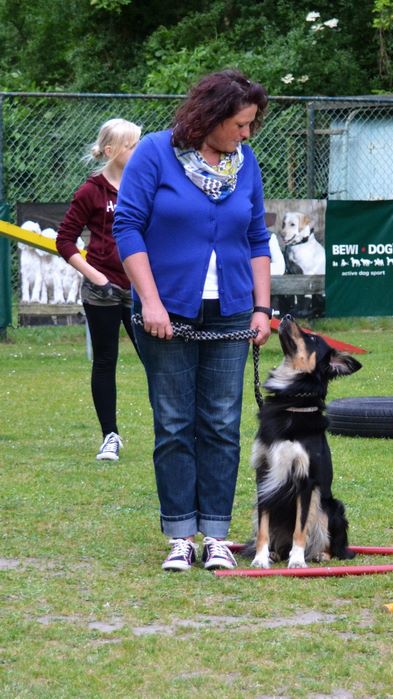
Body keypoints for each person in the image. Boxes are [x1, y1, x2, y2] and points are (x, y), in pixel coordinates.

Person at [113, 70, 273, 572]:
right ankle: (181, 534)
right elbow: (128, 227)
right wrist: (152, 302)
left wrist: (262, 309)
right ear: (211, 117)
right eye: (241, 124)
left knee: (223, 423)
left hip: (229, 311)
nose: (246, 134)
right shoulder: (155, 153)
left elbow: (256, 239)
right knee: (175, 423)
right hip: (166, 313)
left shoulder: (245, 165)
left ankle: (218, 537)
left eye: (251, 125)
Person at [56, 118, 142, 461]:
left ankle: (177, 432)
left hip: (141, 291)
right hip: (102, 291)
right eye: (131, 146)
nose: (138, 152)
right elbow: (65, 240)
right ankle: (111, 436)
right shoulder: (91, 191)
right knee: (105, 361)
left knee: (159, 361)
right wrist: (96, 277)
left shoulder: (145, 186)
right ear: (111, 151)